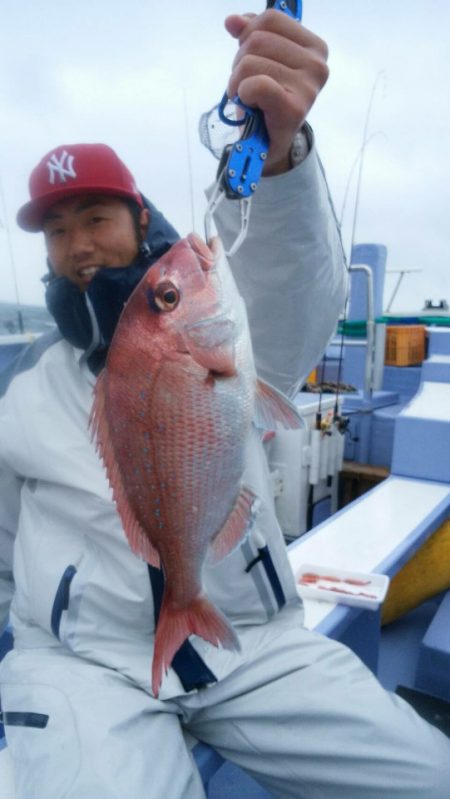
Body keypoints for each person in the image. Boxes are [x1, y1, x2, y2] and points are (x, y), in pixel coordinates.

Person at [0, 9, 449, 799]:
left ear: (141, 219)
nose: (78, 247)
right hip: (81, 664)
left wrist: (278, 164)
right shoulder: (28, 387)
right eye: (57, 231)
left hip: (249, 640)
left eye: (96, 218)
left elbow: (287, 290)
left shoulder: (219, 320)